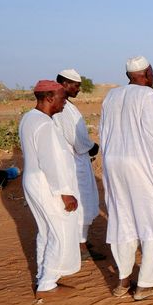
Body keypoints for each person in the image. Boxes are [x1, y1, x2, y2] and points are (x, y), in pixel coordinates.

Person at [100, 56, 153, 301]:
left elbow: (104, 133)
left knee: (121, 219)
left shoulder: (111, 96)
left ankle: (123, 281)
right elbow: (152, 136)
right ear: (147, 72)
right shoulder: (148, 96)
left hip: (113, 164)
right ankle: (147, 284)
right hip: (141, 164)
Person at [19, 80, 82, 295]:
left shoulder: (29, 118)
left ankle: (44, 276)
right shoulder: (44, 124)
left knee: (46, 231)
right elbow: (51, 162)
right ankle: (47, 283)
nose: (65, 103)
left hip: (34, 180)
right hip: (46, 183)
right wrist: (65, 192)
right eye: (62, 98)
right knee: (59, 233)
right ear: (49, 98)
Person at [52, 69, 105, 261]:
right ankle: (81, 247)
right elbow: (76, 139)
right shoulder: (63, 107)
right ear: (64, 84)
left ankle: (80, 240)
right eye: (76, 85)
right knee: (82, 203)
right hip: (75, 162)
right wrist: (93, 147)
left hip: (78, 160)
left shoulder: (66, 104)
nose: (78, 89)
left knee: (86, 202)